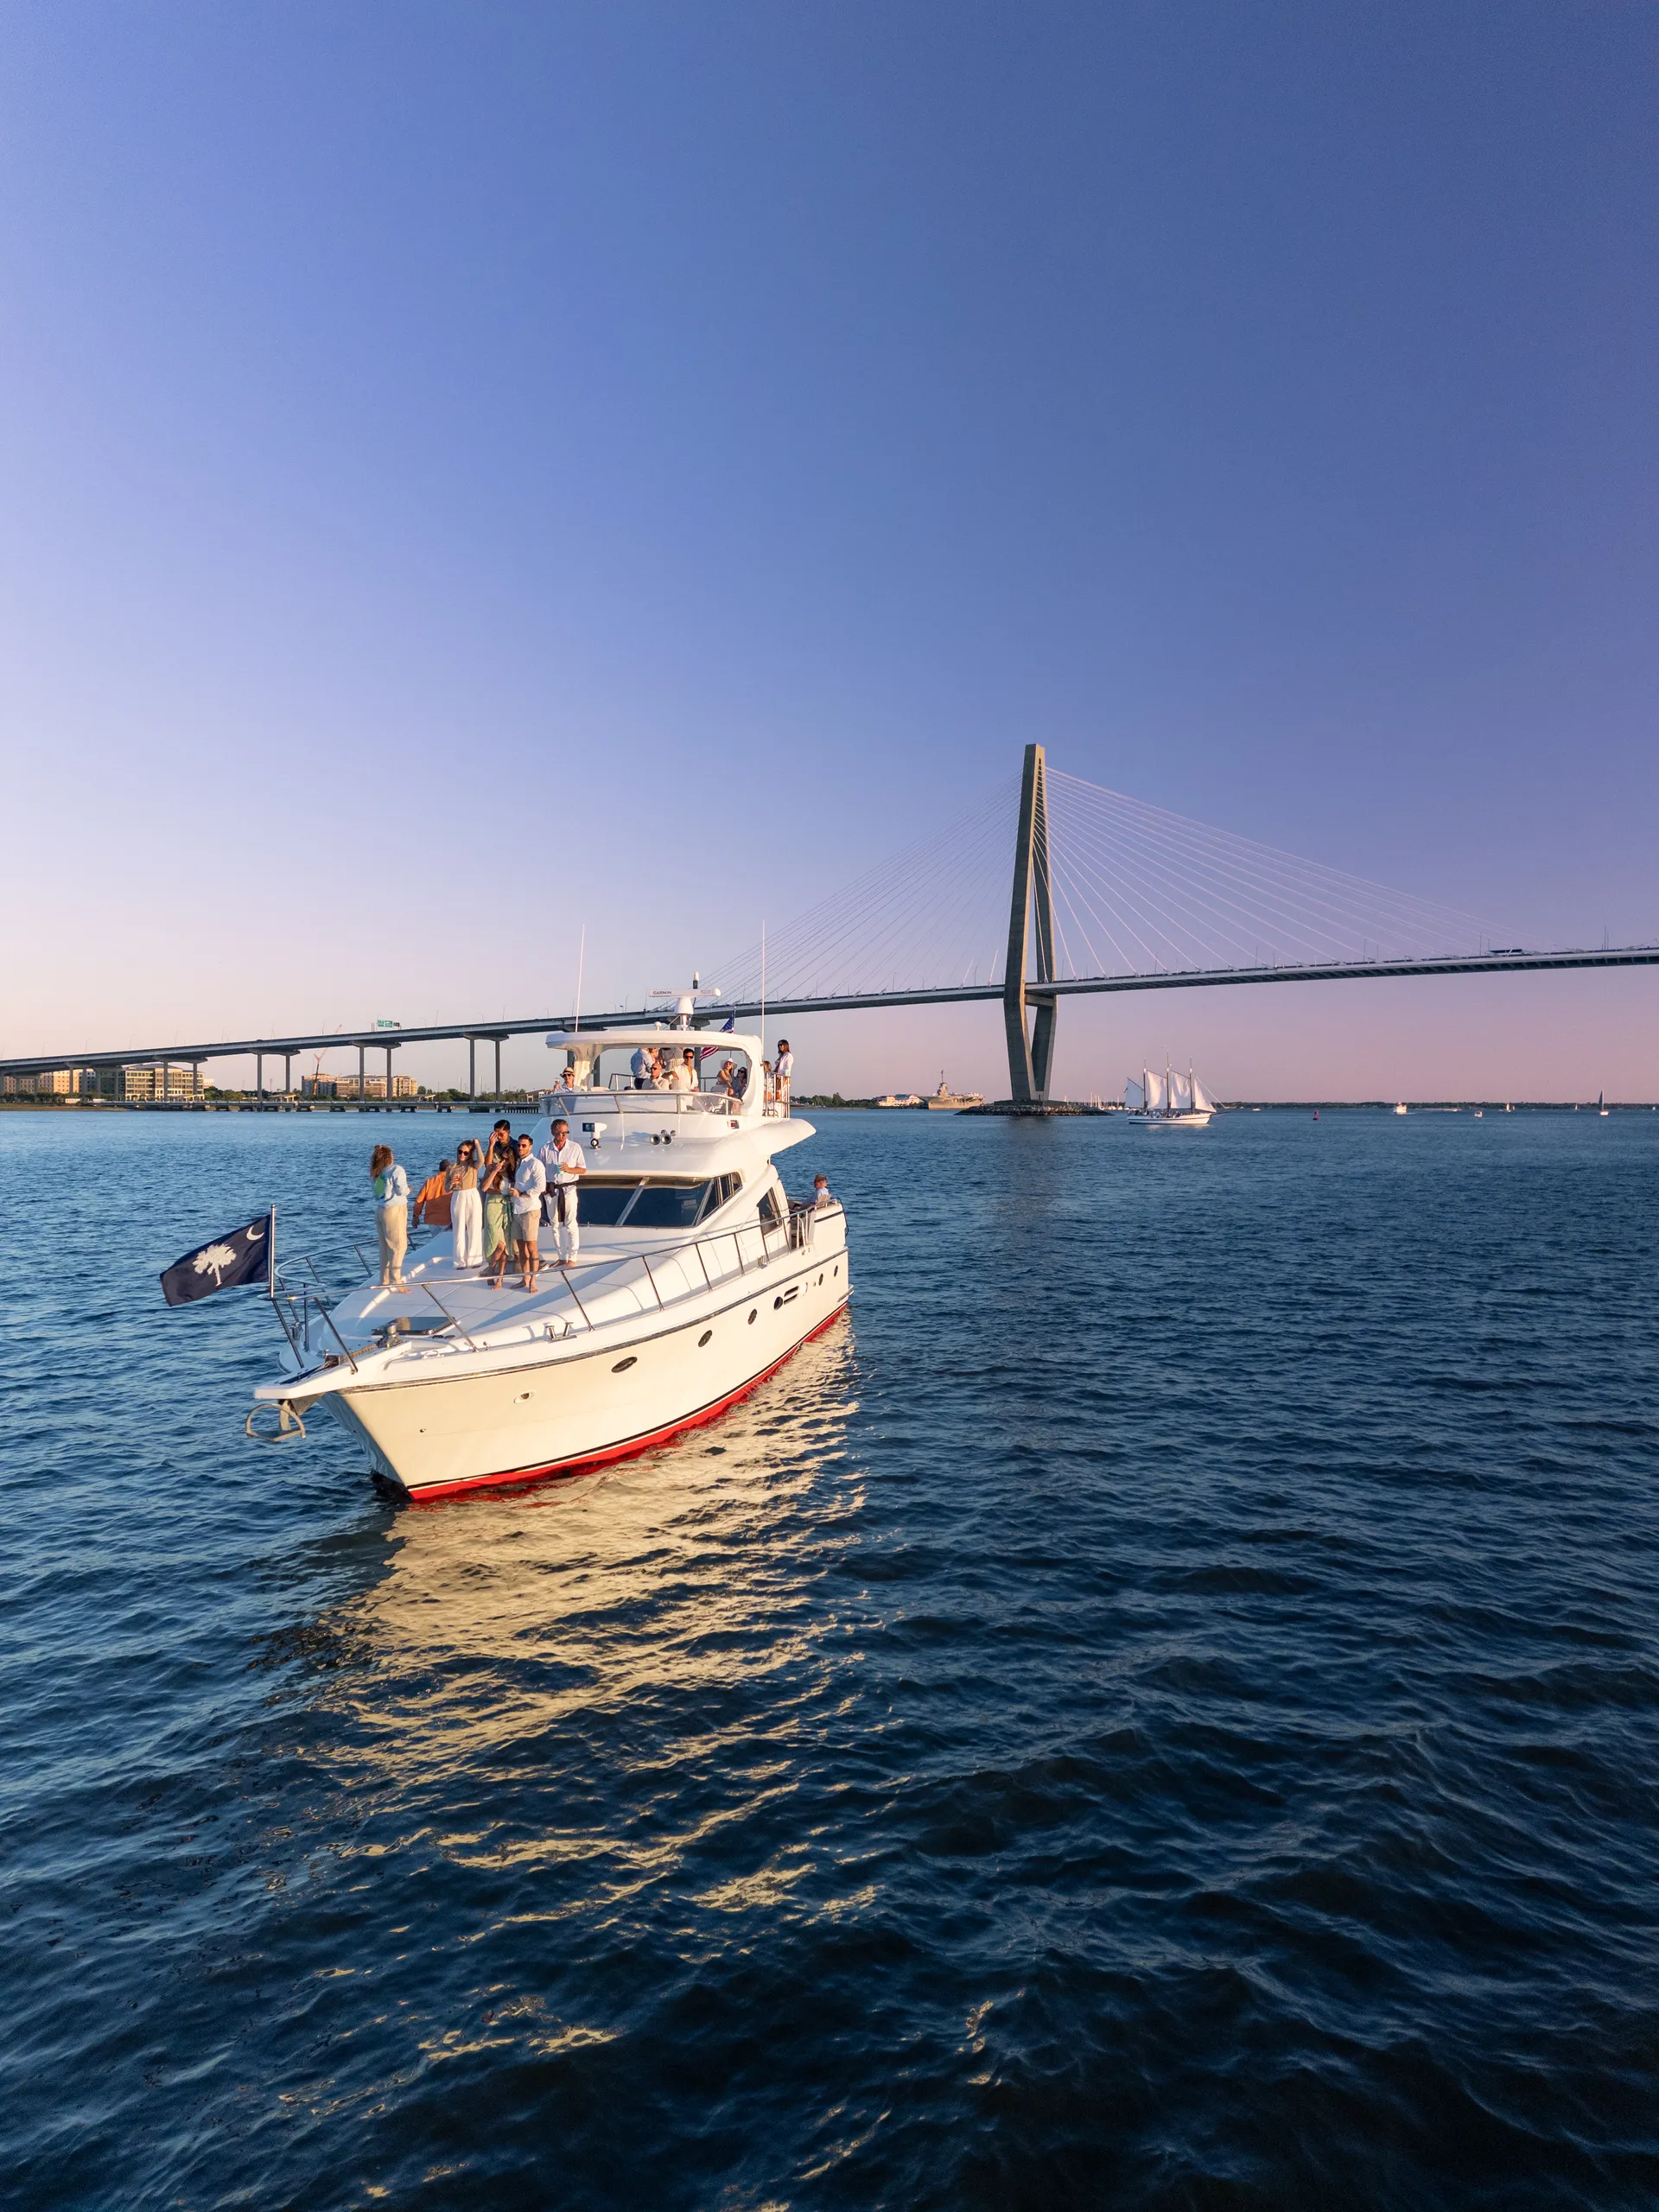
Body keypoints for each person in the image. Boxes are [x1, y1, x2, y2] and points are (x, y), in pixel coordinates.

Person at [541, 1116, 587, 1265]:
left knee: (571, 1223)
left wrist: (569, 1169)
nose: (563, 1136)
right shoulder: (545, 1149)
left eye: (565, 1133)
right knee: (554, 1225)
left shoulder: (574, 1147)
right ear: (553, 1132)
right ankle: (561, 1257)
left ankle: (572, 1257)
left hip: (569, 1189)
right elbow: (539, 1170)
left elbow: (583, 1169)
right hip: (552, 1190)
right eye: (560, 1133)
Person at [370, 1144, 410, 1288]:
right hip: (394, 1210)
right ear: (390, 1157)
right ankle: (396, 1280)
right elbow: (401, 1190)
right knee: (398, 1246)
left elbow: (376, 1194)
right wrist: (409, 1189)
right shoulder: (396, 1170)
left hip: (380, 1210)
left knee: (384, 1247)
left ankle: (384, 1279)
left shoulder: (377, 1174)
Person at [511, 1132, 546, 1289]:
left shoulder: (535, 1164)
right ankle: (524, 1279)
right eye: (518, 1145)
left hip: (530, 1209)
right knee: (520, 1248)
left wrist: (521, 1194)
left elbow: (541, 1187)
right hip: (517, 1209)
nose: (520, 1147)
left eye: (524, 1145)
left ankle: (533, 1280)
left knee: (532, 1247)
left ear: (530, 1147)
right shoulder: (520, 1163)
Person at [480, 1146, 515, 1287]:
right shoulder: (492, 1169)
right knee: (498, 1245)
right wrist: (495, 1171)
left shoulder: (511, 1173)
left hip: (507, 1208)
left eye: (507, 1159)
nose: (504, 1162)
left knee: (505, 1246)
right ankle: (491, 1271)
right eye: (502, 1158)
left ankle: (500, 1278)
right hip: (492, 1207)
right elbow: (484, 1188)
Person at [449, 1140, 484, 1268]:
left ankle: (475, 1260)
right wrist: (452, 1184)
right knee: (458, 1229)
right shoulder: (452, 1168)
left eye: (465, 1153)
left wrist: (477, 1145)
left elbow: (482, 1161)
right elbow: (447, 1188)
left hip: (472, 1194)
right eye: (460, 1152)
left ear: (470, 1154)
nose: (462, 1155)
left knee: (475, 1227)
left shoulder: (473, 1166)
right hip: (458, 1195)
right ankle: (459, 1261)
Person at [412, 1159, 453, 1229]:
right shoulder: (453, 1182)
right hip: (449, 1219)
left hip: (432, 1220)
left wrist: (416, 1216)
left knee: (435, 1239)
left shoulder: (429, 1182)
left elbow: (419, 1201)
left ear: (439, 1169)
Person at [774, 1039, 794, 1110]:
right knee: (777, 1094)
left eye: (782, 1045)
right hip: (777, 1078)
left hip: (783, 1078)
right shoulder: (781, 1055)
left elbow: (788, 1068)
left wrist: (785, 1078)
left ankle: (782, 1110)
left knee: (782, 1095)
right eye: (779, 1045)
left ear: (785, 1045)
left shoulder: (788, 1055)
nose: (780, 1047)